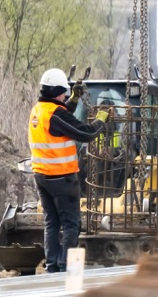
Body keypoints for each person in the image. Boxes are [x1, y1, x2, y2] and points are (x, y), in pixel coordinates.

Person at [28, 67, 108, 273]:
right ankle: (66, 269)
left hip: (41, 177)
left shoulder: (39, 110)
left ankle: (53, 265)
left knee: (52, 223)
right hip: (61, 178)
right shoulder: (55, 114)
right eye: (64, 92)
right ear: (56, 92)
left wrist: (73, 100)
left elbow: (62, 120)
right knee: (72, 224)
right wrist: (101, 121)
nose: (65, 95)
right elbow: (85, 133)